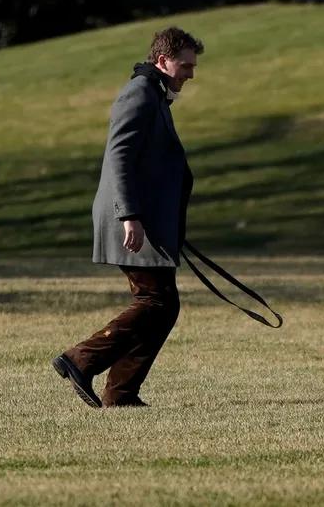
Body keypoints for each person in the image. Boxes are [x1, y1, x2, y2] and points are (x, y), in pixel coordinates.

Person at [52, 27, 204, 408]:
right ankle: (81, 359)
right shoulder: (138, 95)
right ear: (162, 60)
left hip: (145, 219)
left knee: (161, 304)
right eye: (185, 65)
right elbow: (118, 158)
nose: (190, 73)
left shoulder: (154, 95)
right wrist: (130, 216)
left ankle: (120, 392)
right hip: (132, 220)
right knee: (157, 301)